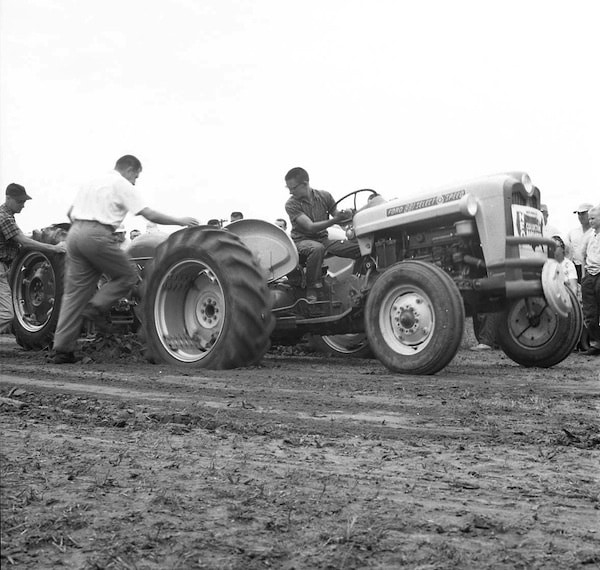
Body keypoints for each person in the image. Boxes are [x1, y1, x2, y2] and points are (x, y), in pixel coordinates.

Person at [51, 155, 199, 364]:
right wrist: (179, 221)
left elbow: (70, 213)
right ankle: (94, 308)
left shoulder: (91, 183)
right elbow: (149, 214)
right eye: (136, 177)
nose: (135, 181)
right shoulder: (120, 183)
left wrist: (83, 230)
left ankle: (62, 351)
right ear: (130, 169)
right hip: (98, 234)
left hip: (74, 234)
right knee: (128, 275)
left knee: (74, 294)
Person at [284, 167, 360, 301]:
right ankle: (312, 288)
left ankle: (361, 279)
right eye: (288, 188)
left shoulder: (325, 196)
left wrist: (347, 215)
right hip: (301, 241)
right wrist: (336, 220)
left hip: (323, 239)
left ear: (305, 184)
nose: (290, 191)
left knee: (357, 248)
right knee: (317, 249)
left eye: (293, 188)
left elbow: (337, 215)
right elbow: (310, 227)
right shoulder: (291, 204)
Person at [0, 184, 66, 333]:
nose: (23, 206)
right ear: (8, 198)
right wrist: (54, 248)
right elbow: (24, 241)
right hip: (1, 267)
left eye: (24, 202)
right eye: (19, 202)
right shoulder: (4, 218)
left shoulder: (8, 217)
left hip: (5, 267)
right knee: (6, 314)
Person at [581, 205, 600, 356]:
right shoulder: (589, 236)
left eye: (593, 218)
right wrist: (584, 275)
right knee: (590, 312)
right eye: (589, 219)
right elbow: (582, 255)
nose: (590, 221)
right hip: (589, 275)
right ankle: (596, 343)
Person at [566, 203, 594, 282]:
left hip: (591, 268)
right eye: (579, 214)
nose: (581, 216)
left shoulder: (595, 232)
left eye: (583, 213)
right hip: (575, 267)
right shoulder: (573, 232)